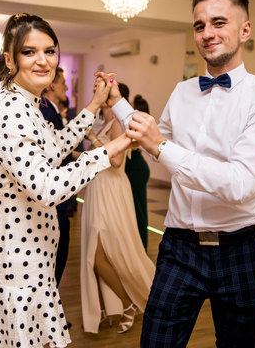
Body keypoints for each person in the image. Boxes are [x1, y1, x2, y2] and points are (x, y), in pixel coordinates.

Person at [105, 0, 255, 347]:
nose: (207, 33)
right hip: (180, 248)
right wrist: (118, 104)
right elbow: (154, 143)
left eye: (218, 23)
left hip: (239, 250)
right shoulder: (182, 92)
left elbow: (239, 184)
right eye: (199, 26)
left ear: (245, 30)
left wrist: (161, 147)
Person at [0, 13, 131, 348]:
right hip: (18, 254)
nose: (43, 60)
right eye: (29, 52)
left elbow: (54, 147)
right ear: (10, 59)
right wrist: (110, 149)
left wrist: (95, 104)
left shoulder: (24, 101)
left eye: (50, 51)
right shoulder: (9, 108)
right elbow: (48, 187)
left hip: (31, 248)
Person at [80, 103, 156, 335]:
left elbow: (116, 161)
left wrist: (92, 138)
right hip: (98, 190)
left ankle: (127, 303)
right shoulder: (102, 123)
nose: (96, 90)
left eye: (100, 88)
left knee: (98, 257)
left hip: (111, 192)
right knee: (99, 254)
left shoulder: (117, 124)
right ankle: (108, 307)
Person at [39, 67, 76, 286]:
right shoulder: (47, 112)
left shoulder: (49, 110)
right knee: (55, 261)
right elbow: (53, 154)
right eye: (63, 82)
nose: (67, 88)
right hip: (54, 201)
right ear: (52, 85)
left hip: (56, 201)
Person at [124, 94, 151, 249]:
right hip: (132, 164)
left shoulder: (137, 125)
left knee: (138, 210)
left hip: (136, 167)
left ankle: (141, 247)